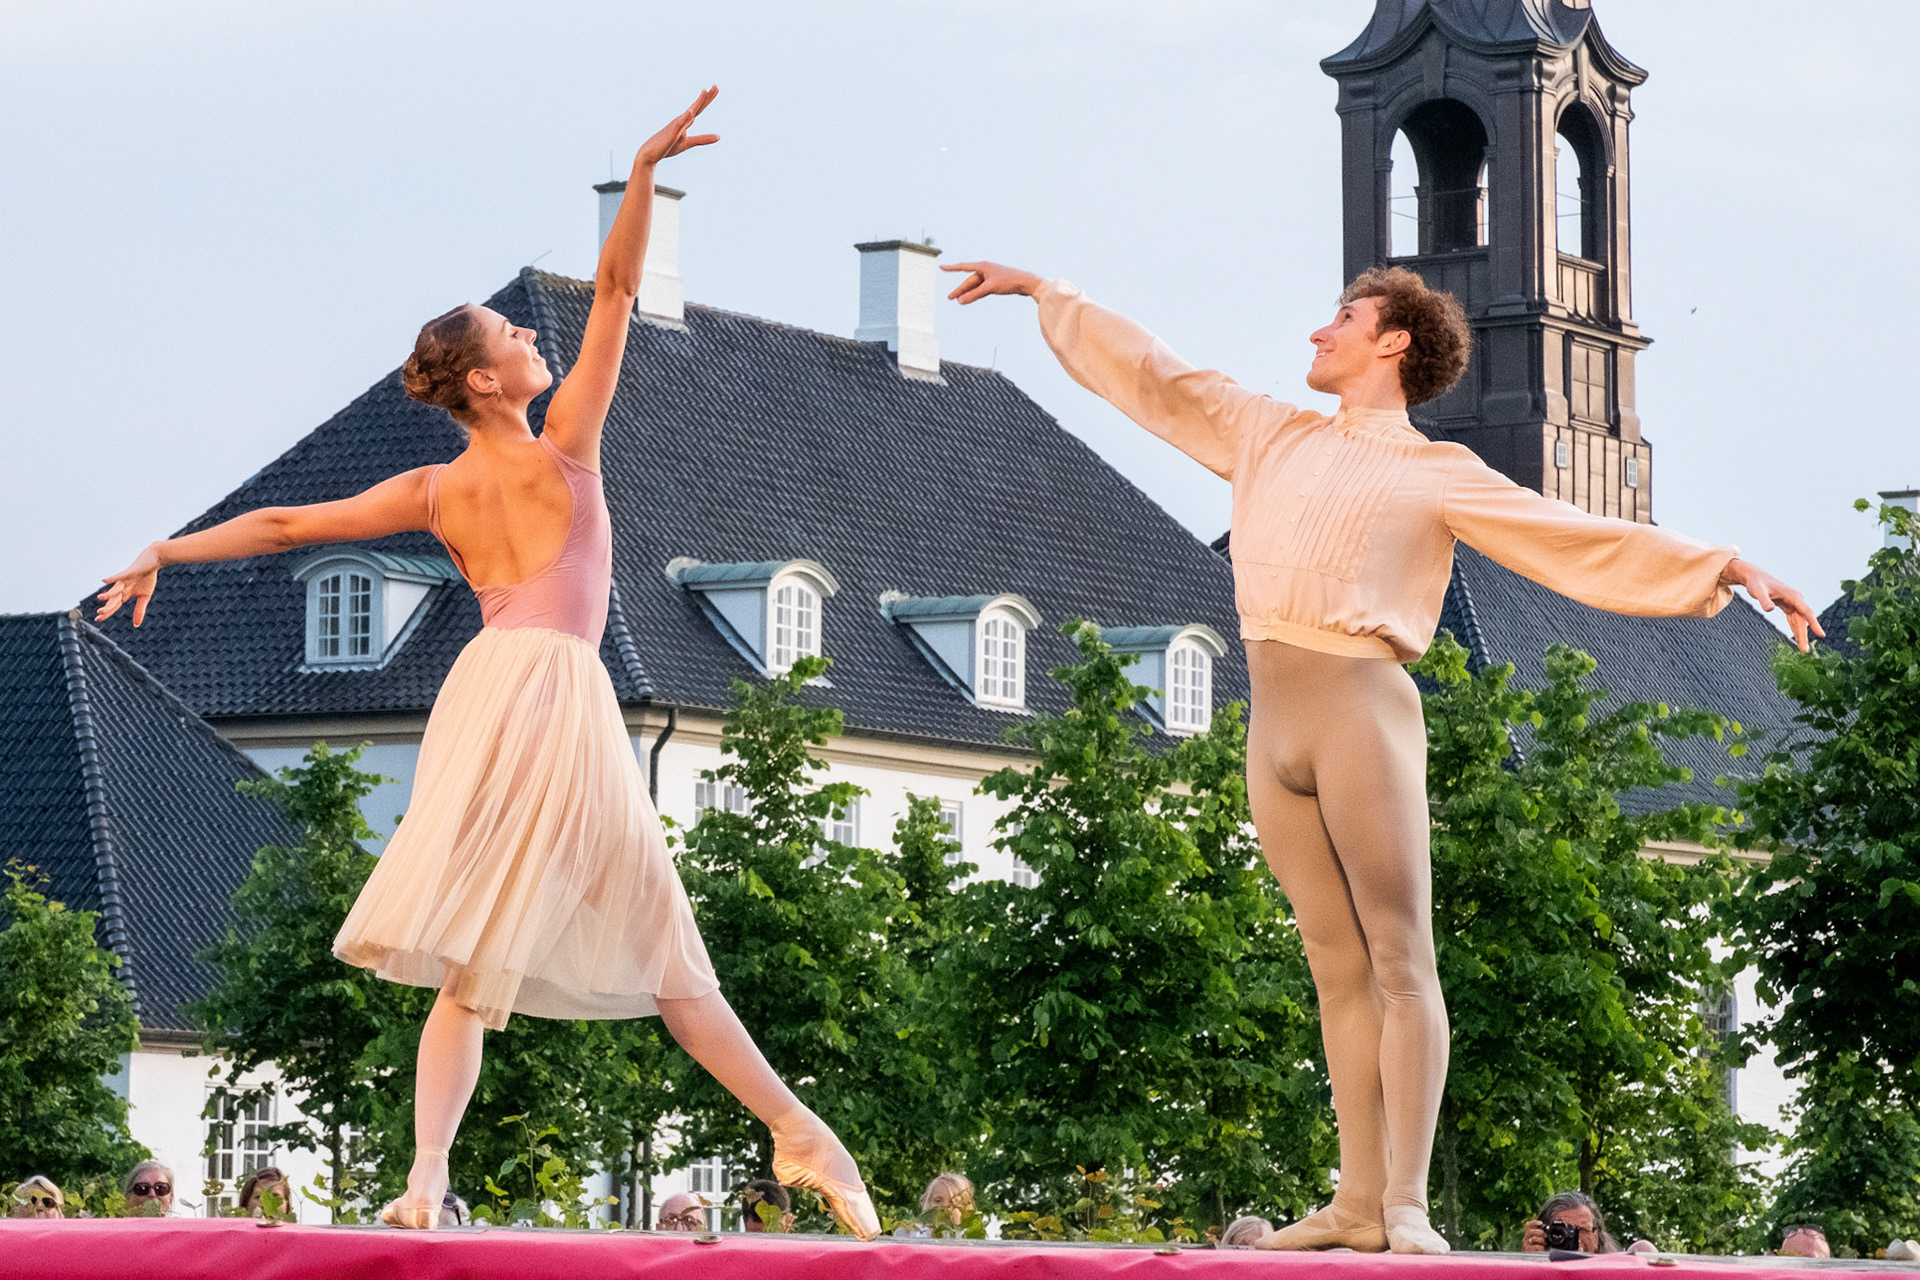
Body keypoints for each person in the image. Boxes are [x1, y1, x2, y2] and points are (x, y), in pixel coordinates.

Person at [95, 87, 877, 1241]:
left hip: (490, 689)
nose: (532, 338)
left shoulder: (434, 488)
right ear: (481, 380)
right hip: (554, 690)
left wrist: (167, 546)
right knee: (652, 941)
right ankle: (795, 1126)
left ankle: (427, 1175)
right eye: (511, 337)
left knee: (475, 955)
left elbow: (278, 529)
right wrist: (647, 174)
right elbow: (616, 289)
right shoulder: (565, 448)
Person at [943, 260, 1821, 1256]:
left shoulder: (1434, 471)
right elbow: (1158, 376)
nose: (1319, 332)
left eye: (1343, 318)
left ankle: (1404, 1198)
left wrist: (1725, 566)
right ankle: (1355, 1195)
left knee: (1402, 957)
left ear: (1393, 341)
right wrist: (1045, 294)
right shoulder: (1268, 433)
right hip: (1271, 721)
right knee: (1333, 966)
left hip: (1363, 706)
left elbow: (1576, 538)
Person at [1521, 1191, 1619, 1254]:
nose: (1576, 1239)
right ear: (1545, 1235)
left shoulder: (1614, 1274)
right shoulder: (1536, 1272)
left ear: (1596, 1236)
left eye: (1582, 1230)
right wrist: (1531, 1262)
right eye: (1562, 1231)